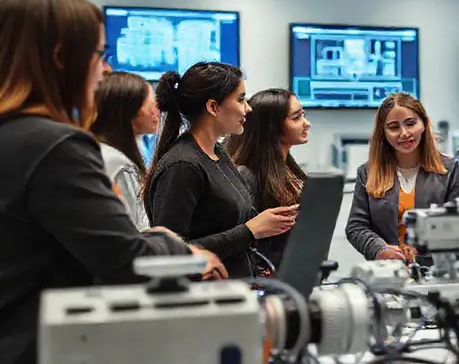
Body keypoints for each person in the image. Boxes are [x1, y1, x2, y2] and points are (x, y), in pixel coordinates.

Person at [0, 0, 225, 363]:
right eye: (99, 54)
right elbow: (127, 263)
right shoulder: (57, 147)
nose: (105, 70)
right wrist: (176, 246)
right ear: (61, 58)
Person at [143, 63, 296, 279]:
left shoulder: (217, 152)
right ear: (214, 107)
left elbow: (232, 225)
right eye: (241, 99)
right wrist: (251, 230)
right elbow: (171, 253)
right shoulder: (182, 166)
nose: (248, 108)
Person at [346, 93, 459, 262]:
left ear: (423, 123)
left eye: (411, 123)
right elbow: (356, 227)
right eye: (394, 127)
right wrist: (379, 249)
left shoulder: (449, 170)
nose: (404, 133)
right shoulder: (367, 173)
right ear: (383, 133)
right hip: (387, 275)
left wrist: (427, 248)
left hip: (440, 272)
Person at [227, 88, 310, 271]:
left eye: (303, 115)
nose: (307, 123)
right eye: (296, 118)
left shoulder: (289, 169)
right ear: (272, 127)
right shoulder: (247, 176)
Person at [91, 71, 160, 230]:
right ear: (130, 111)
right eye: (150, 104)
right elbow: (135, 229)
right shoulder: (118, 163)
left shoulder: (99, 151)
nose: (156, 111)